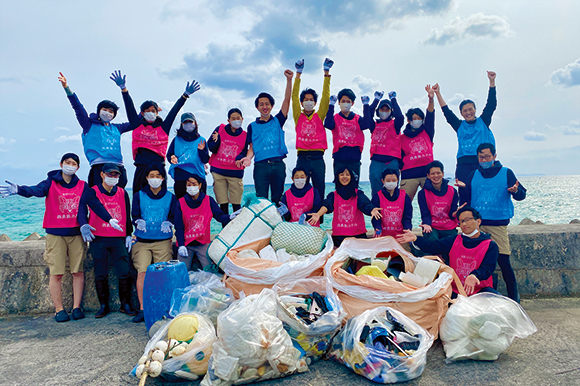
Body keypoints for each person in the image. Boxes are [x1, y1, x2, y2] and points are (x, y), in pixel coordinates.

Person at [0, 153, 120, 322]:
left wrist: (109, 219)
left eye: (73, 163)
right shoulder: (51, 183)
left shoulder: (83, 185)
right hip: (56, 235)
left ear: (78, 167)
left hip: (76, 234)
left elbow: (94, 204)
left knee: (78, 271)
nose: (70, 165)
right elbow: (37, 190)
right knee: (56, 273)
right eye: (67, 162)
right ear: (61, 164)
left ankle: (77, 307)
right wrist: (20, 190)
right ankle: (59, 309)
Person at [110, 70, 200, 194]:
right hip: (141, 167)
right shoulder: (136, 125)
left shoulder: (163, 127)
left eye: (153, 110)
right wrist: (123, 89)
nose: (150, 112)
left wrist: (185, 95)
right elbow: (129, 108)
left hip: (158, 168)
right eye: (147, 110)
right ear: (142, 113)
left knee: (161, 198)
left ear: (157, 112)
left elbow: (174, 111)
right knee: (138, 197)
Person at [456, 143, 526, 302]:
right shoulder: (474, 174)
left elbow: (521, 195)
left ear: (495, 156)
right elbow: (466, 198)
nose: (484, 160)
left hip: (498, 225)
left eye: (487, 156)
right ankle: (480, 295)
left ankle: (514, 299)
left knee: (503, 262)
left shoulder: (506, 173)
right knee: (476, 262)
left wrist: (516, 192)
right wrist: (462, 189)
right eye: (481, 157)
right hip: (477, 225)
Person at [396, 206, 501, 297]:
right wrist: (415, 238)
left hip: (480, 290)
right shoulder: (454, 240)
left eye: (467, 219)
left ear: (478, 221)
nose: (464, 224)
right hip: (455, 288)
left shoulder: (490, 245)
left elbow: (487, 268)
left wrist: (474, 275)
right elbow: (433, 247)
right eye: (461, 221)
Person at [78, 163, 135, 318]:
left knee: (124, 272)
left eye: (116, 175)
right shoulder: (92, 192)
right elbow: (94, 207)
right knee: (100, 273)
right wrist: (86, 224)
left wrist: (128, 233)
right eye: (110, 174)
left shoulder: (123, 193)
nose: (113, 177)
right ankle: (103, 305)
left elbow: (126, 213)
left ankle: (125, 304)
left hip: (118, 238)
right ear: (102, 175)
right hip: (99, 238)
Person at [58, 72, 132, 188]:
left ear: (114, 115)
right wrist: (66, 87)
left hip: (118, 167)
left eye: (111, 111)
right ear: (99, 111)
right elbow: (78, 107)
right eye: (105, 109)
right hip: (99, 167)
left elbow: (135, 121)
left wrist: (124, 89)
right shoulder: (88, 124)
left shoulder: (118, 128)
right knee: (97, 199)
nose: (108, 112)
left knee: (118, 198)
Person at [432, 71, 497, 194]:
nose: (468, 112)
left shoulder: (483, 121)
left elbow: (491, 105)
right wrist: (438, 93)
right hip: (464, 165)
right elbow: (447, 112)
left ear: (475, 110)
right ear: (461, 113)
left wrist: (492, 82)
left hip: (482, 162)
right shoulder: (459, 125)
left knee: (483, 192)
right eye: (464, 111)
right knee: (464, 194)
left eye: (470, 109)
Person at [130, 163, 177, 323]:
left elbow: (173, 216)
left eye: (158, 176)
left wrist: (169, 222)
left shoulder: (171, 197)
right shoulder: (138, 195)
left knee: (162, 275)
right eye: (151, 176)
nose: (155, 179)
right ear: (147, 178)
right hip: (142, 241)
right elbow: (134, 214)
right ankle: (143, 309)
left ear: (163, 178)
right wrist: (137, 221)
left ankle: (163, 308)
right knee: (142, 273)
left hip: (163, 241)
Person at [246, 69, 294, 205]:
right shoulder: (252, 126)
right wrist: (248, 158)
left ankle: (277, 225)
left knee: (277, 200)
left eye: (267, 104)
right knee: (261, 200)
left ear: (272, 106)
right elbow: (252, 147)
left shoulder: (278, 121)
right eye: (261, 104)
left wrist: (289, 80)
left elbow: (287, 100)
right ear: (257, 107)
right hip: (261, 166)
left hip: (278, 165)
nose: (264, 106)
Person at [291, 57, 333, 199]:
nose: (308, 101)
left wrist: (326, 74)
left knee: (319, 187)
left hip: (317, 157)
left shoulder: (319, 116)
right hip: (302, 157)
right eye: (306, 100)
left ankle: (318, 218)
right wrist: (298, 74)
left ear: (314, 103)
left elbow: (326, 99)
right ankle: (301, 216)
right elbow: (294, 97)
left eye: (311, 100)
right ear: (302, 103)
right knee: (301, 188)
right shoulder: (298, 115)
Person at [308, 167, 381, 247]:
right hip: (339, 238)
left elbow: (365, 204)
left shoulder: (358, 194)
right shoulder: (333, 195)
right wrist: (318, 214)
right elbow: (327, 205)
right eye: (342, 174)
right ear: (337, 177)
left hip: (358, 236)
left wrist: (372, 210)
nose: (344, 177)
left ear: (351, 177)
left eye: (347, 174)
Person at [174, 174, 233, 271]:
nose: (191, 187)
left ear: (200, 185)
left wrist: (230, 217)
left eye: (194, 184)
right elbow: (179, 226)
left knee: (209, 270)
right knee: (181, 271)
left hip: (202, 243)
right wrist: (181, 245)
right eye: (188, 184)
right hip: (186, 244)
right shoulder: (180, 203)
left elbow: (219, 216)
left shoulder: (208, 200)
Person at [323, 88, 372, 186]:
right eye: (343, 101)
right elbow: (327, 124)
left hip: (354, 158)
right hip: (339, 158)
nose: (345, 104)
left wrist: (366, 105)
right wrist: (331, 105)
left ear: (352, 103)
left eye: (348, 101)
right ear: (339, 103)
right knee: (339, 186)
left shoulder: (357, 118)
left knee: (354, 187)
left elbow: (367, 124)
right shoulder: (336, 118)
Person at [207, 108, 250, 215]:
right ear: (228, 120)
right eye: (233, 118)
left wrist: (239, 158)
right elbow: (211, 146)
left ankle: (236, 230)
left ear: (242, 119)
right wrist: (217, 140)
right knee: (223, 204)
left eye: (238, 118)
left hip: (235, 173)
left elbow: (245, 151)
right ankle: (224, 228)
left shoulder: (245, 135)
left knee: (236, 204)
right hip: (218, 172)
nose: (236, 120)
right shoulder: (220, 129)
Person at [399, 85, 435, 201]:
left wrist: (430, 99)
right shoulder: (402, 138)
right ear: (409, 120)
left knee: (432, 201)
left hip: (427, 174)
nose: (417, 120)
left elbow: (430, 114)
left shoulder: (427, 131)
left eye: (419, 118)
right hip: (409, 175)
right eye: (414, 118)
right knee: (404, 203)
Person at [368, 90, 405, 198]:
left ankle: (393, 211)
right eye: (382, 109)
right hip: (375, 161)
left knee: (392, 188)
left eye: (387, 109)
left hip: (392, 161)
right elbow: (368, 114)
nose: (384, 111)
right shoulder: (374, 125)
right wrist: (376, 99)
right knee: (376, 189)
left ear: (391, 111)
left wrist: (393, 99)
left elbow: (400, 117)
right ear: (378, 111)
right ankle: (376, 212)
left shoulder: (395, 124)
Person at [167, 113, 210, 199]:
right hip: (181, 176)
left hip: (198, 176)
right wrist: (172, 157)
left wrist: (201, 151)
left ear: (195, 123)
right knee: (181, 204)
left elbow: (205, 160)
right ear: (181, 124)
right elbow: (169, 155)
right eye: (185, 122)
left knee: (200, 204)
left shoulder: (201, 140)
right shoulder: (176, 140)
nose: (188, 124)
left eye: (190, 121)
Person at [417, 160, 460, 241]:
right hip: (432, 226)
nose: (436, 176)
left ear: (443, 174)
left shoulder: (453, 191)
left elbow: (451, 214)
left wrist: (458, 213)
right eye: (432, 174)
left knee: (452, 244)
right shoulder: (423, 193)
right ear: (428, 176)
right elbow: (425, 214)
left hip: (448, 226)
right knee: (432, 240)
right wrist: (426, 224)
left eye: (438, 173)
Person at [371, 169, 413, 240]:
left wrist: (407, 229)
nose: (391, 183)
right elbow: (376, 217)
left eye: (394, 180)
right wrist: (377, 228)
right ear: (383, 181)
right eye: (388, 181)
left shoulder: (404, 196)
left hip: (400, 236)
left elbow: (407, 216)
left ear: (398, 180)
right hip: (382, 235)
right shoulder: (377, 196)